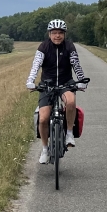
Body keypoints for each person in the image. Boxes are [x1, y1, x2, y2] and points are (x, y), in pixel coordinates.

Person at [26, 19, 88, 164]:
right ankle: (45, 149)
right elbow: (36, 65)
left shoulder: (69, 46)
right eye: (54, 33)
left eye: (60, 33)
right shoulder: (43, 47)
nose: (57, 35)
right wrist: (30, 81)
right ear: (49, 34)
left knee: (70, 102)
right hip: (47, 85)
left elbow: (76, 65)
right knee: (43, 118)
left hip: (66, 83)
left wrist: (81, 80)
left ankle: (69, 134)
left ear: (64, 34)